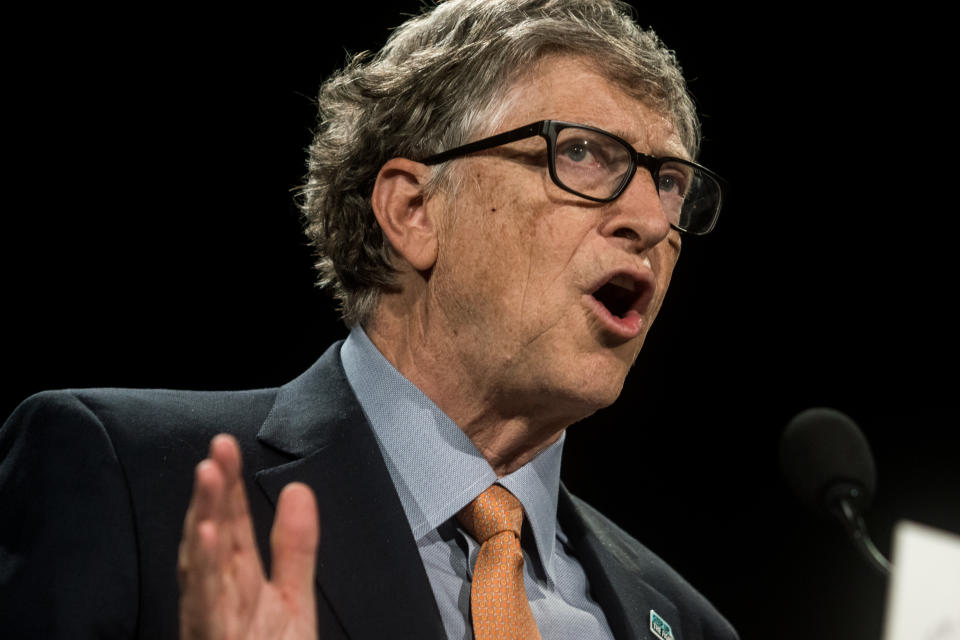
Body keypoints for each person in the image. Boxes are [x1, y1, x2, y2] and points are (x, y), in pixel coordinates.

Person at [0, 1, 736, 638]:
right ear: (413, 212)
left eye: (670, 183)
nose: (648, 220)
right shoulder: (135, 481)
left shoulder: (683, 621)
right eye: (580, 153)